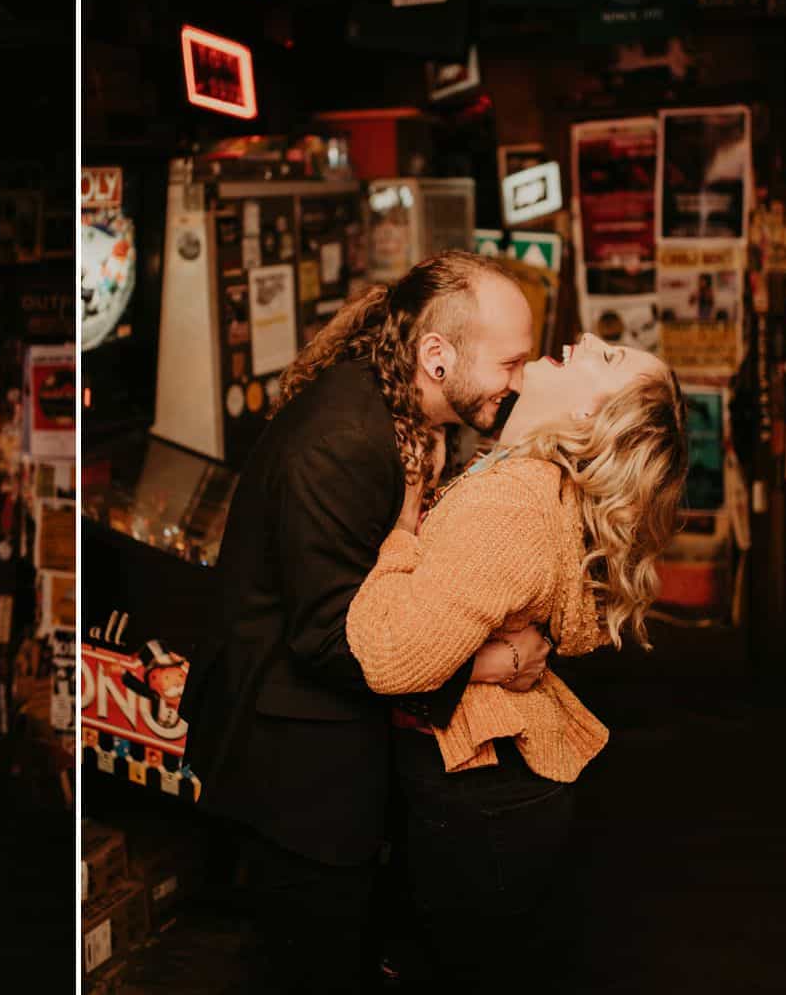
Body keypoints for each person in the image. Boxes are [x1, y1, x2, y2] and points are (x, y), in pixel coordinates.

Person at [179, 252, 555, 993]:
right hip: (298, 766)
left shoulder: (406, 414)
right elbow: (328, 638)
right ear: (437, 355)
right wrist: (490, 662)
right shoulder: (345, 438)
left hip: (335, 748)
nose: (519, 381)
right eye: (509, 363)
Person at [347, 334, 687, 992]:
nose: (588, 338)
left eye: (608, 357)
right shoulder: (527, 482)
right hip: (498, 798)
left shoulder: (509, 506)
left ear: (590, 413)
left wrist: (402, 532)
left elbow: (388, 656)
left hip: (476, 804)